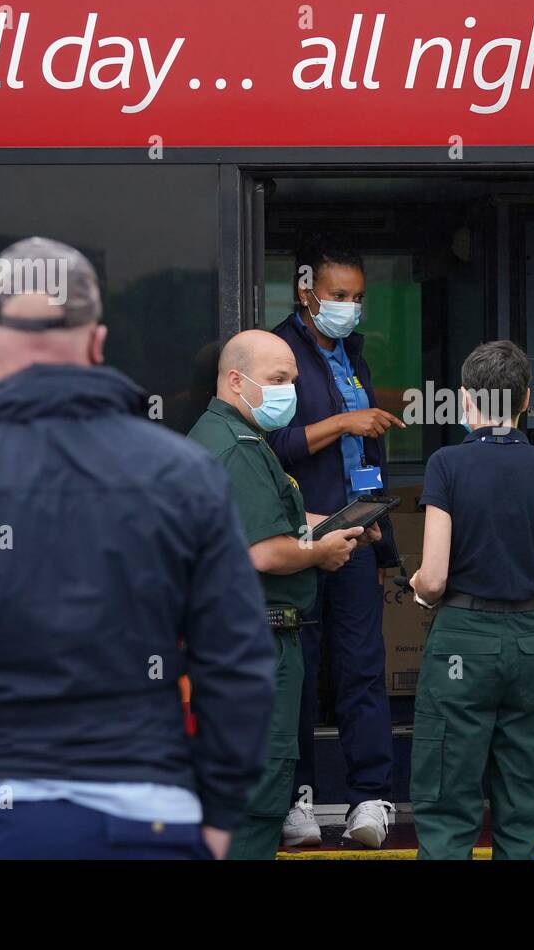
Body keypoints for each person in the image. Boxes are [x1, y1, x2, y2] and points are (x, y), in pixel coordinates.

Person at [0, 237, 275, 860]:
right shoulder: (184, 475)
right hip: (150, 820)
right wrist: (216, 817)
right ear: (99, 344)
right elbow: (238, 662)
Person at [187, 330, 371, 858]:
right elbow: (265, 552)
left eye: (292, 379)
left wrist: (341, 525)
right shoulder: (239, 449)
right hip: (257, 645)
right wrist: (321, 552)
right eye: (278, 380)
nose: (290, 390)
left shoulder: (221, 438)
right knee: (258, 795)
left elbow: (279, 521)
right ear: (236, 380)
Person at [409, 341, 534, 858]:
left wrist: (418, 586)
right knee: (525, 794)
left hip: (462, 643)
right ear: (526, 399)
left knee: (447, 790)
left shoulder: (447, 464)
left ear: (465, 399)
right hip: (532, 641)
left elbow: (435, 578)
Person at [268, 236, 405, 848]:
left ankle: (369, 799)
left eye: (358, 297)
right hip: (301, 534)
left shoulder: (353, 352)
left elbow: (368, 454)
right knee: (296, 669)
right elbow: (276, 445)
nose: (350, 307)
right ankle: (295, 798)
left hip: (357, 534)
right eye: (338, 295)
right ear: (307, 292)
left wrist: (384, 546)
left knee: (361, 668)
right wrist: (345, 421)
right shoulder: (278, 350)